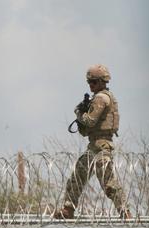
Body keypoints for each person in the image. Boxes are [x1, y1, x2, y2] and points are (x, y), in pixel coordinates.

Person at [54, 64, 130, 219]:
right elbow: (86, 130)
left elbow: (89, 121)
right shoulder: (100, 97)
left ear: (102, 82)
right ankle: (68, 209)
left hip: (102, 147)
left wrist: (79, 113)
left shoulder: (101, 98)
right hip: (94, 146)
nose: (91, 85)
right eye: (89, 82)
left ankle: (125, 212)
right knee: (77, 177)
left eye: (94, 82)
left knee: (109, 184)